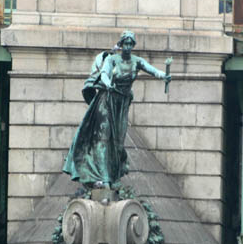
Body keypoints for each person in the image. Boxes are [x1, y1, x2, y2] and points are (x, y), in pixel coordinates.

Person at [63, 31, 170, 190]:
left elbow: (153, 70)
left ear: (133, 45)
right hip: (107, 101)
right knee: (103, 140)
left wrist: (164, 76)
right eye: (124, 44)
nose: (127, 47)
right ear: (121, 45)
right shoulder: (112, 60)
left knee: (118, 143)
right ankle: (104, 179)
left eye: (130, 44)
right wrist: (107, 83)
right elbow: (105, 74)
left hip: (122, 104)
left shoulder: (136, 61)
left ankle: (112, 176)